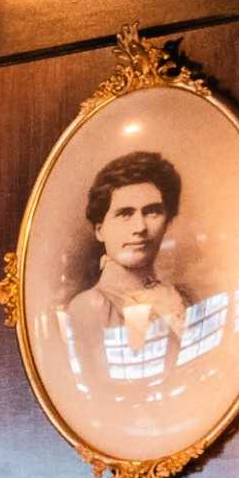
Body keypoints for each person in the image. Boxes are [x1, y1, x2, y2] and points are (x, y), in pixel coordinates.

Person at [55, 150, 193, 394]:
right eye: (125, 214)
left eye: (152, 212)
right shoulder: (90, 308)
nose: (140, 228)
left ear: (168, 222)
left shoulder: (185, 298)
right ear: (100, 230)